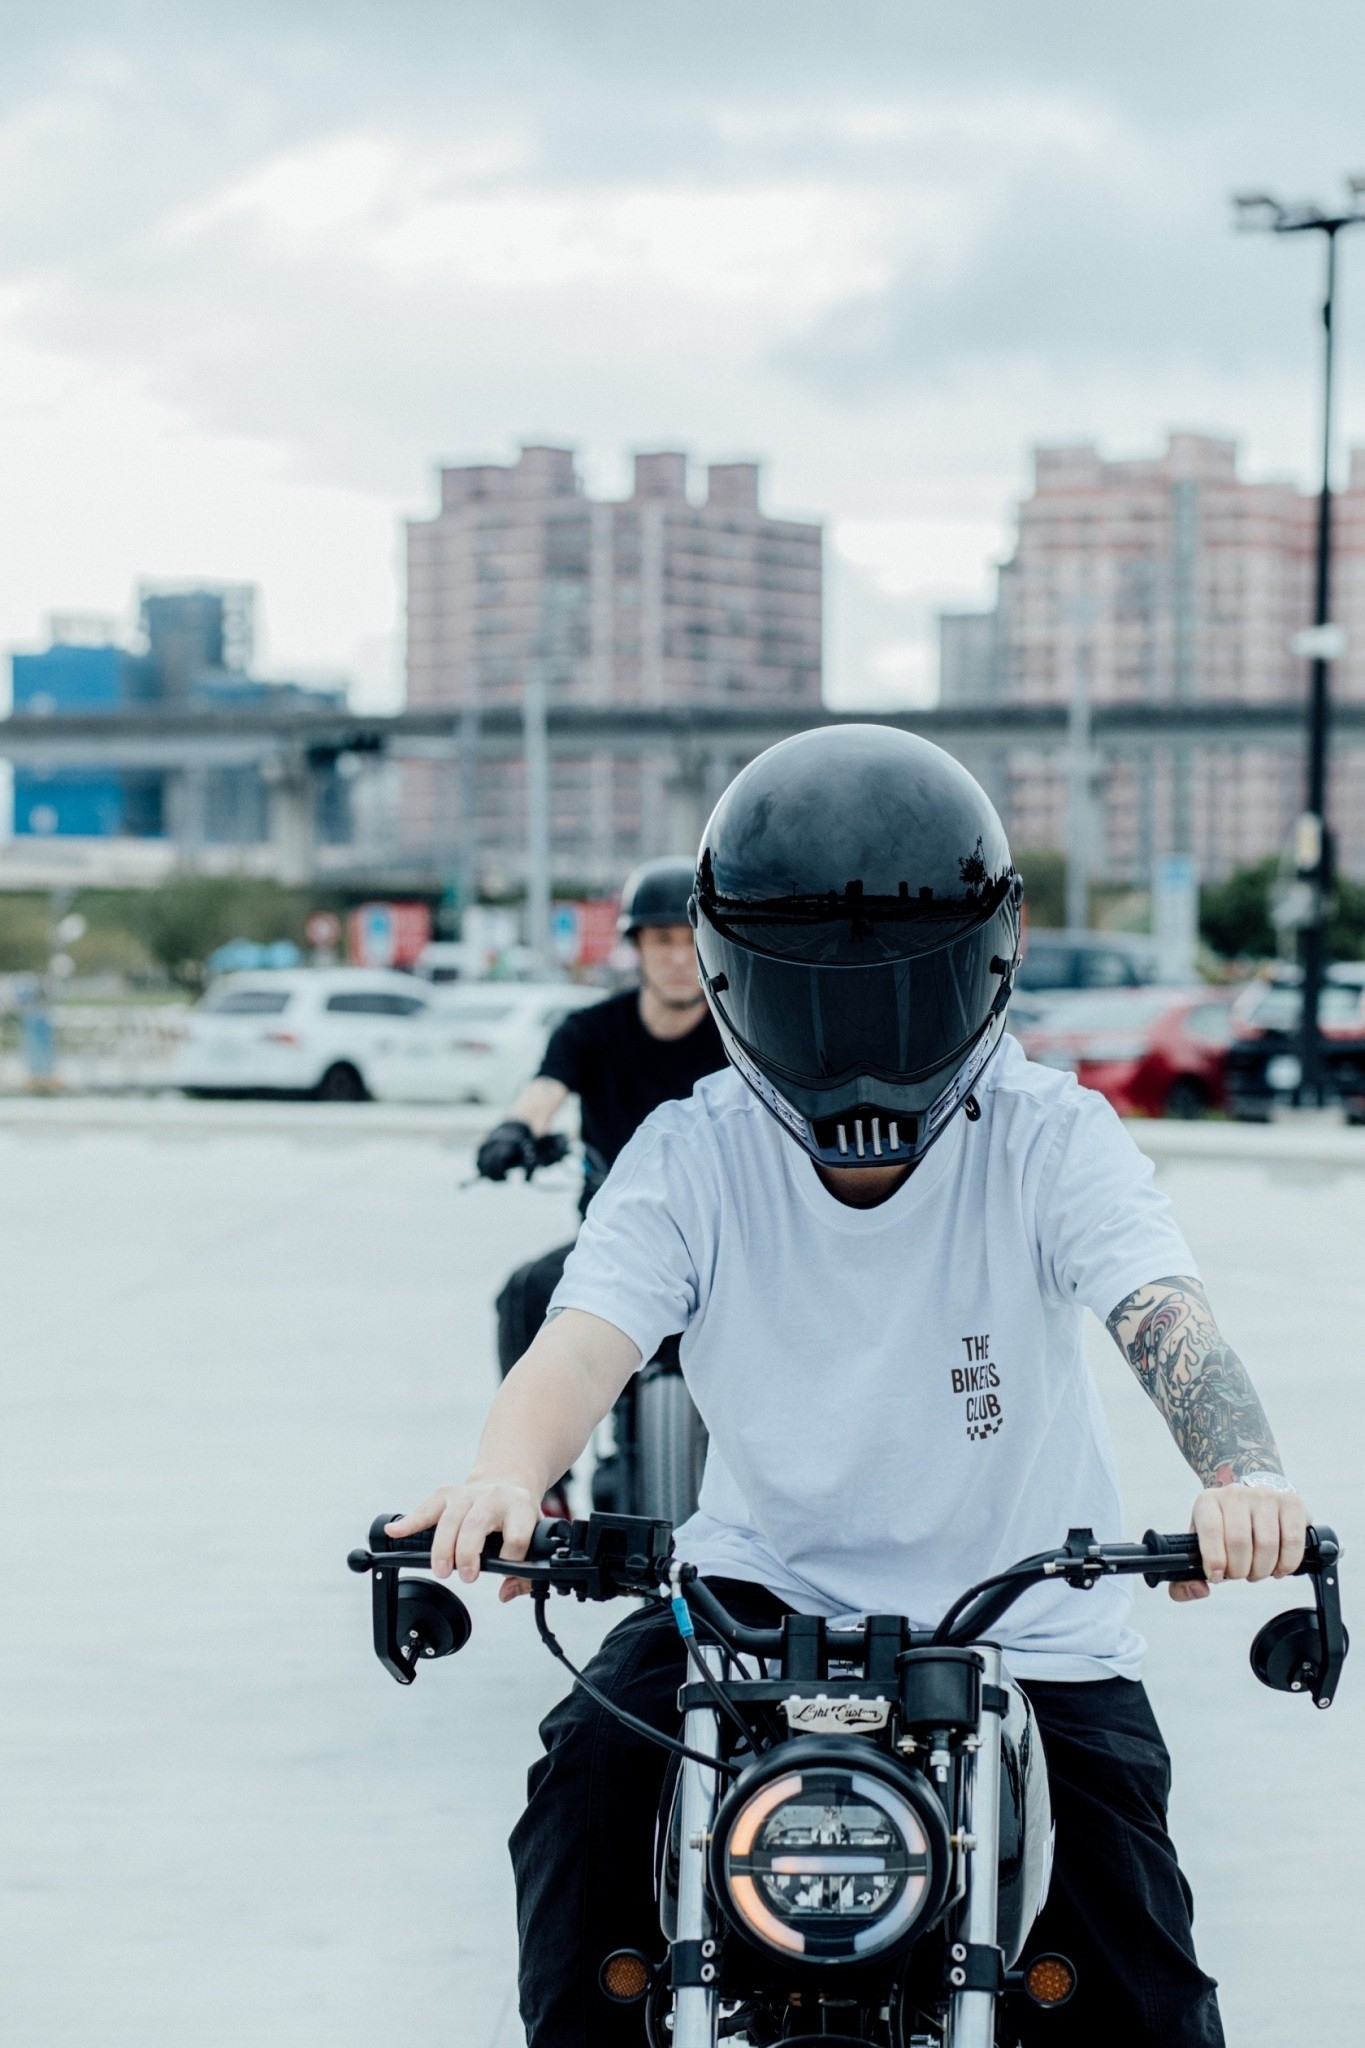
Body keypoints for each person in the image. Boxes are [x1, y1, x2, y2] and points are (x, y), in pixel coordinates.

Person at [393, 726, 1307, 2048]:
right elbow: (584, 1342)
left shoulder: (1054, 1136)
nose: (859, 1036)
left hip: (1030, 1616)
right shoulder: (693, 1151)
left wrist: (1242, 1475)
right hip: (752, 1600)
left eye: (899, 983)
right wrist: (503, 1477)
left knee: (1145, 1990)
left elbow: (1158, 1310)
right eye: (811, 983)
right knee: (580, 1796)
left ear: (985, 956)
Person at [475, 859, 727, 1510]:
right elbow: (542, 1094)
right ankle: (545, 1490)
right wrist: (513, 1132)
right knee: (526, 1291)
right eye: (662, 940)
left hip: (723, 1249)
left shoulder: (741, 1034)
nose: (679, 957)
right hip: (620, 1249)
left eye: (691, 940)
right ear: (635, 946)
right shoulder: (589, 1031)